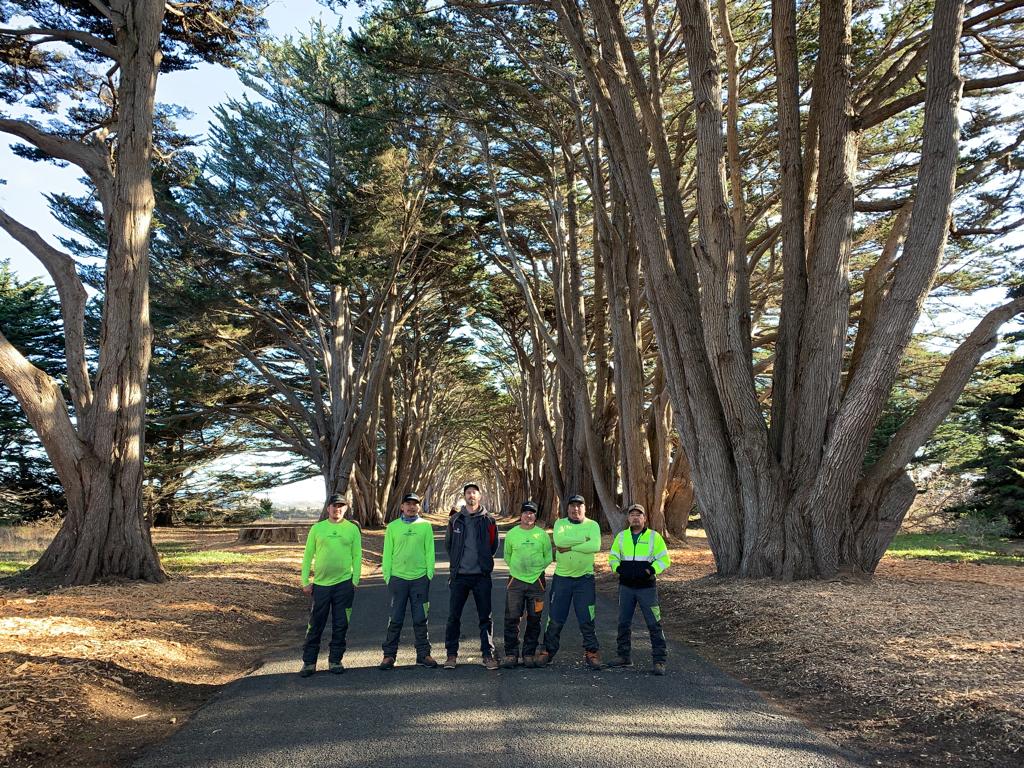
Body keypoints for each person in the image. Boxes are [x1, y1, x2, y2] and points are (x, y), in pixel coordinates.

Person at [535, 494, 602, 670]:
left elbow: (594, 546)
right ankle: (547, 651)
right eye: (572, 506)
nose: (575, 509)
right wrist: (583, 541)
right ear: (568, 509)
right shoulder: (560, 524)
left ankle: (591, 652)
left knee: (587, 617)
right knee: (555, 617)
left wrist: (570, 547)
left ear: (585, 508)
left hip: (585, 580)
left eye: (579, 506)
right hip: (562, 579)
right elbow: (559, 541)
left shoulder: (593, 525)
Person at [299, 493, 362, 677]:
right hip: (321, 585)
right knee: (315, 624)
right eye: (334, 506)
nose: (337, 509)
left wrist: (355, 579)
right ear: (328, 508)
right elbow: (308, 556)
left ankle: (335, 660)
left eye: (341, 506)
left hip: (344, 584)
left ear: (346, 509)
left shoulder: (352, 529)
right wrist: (305, 581)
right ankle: (309, 662)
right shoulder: (317, 529)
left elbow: (357, 555)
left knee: (341, 624)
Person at [606, 504, 671, 675]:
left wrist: (650, 570)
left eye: (639, 515)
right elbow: (613, 557)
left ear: (644, 518)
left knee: (654, 624)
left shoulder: (654, 537)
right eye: (632, 515)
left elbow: (664, 559)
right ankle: (623, 656)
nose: (635, 517)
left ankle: (659, 660)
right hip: (626, 587)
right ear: (628, 518)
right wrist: (618, 569)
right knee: (623, 622)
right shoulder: (621, 537)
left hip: (647, 588)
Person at [444, 481, 499, 670]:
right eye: (468, 493)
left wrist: (483, 562)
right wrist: (456, 565)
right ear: (464, 496)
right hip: (460, 576)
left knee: (486, 617)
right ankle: (451, 655)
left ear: (479, 496)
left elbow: (493, 545)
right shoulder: (455, 520)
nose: (471, 496)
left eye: (474, 492)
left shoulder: (489, 520)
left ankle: (488, 654)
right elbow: (449, 545)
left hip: (481, 576)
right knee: (453, 616)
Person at [379, 493, 438, 670]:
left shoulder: (426, 526)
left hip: (420, 579)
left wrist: (429, 574)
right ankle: (389, 656)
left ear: (419, 507)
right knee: (395, 618)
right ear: (402, 507)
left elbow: (430, 551)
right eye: (408, 504)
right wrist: (387, 576)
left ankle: (423, 655)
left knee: (421, 618)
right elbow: (387, 552)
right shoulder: (393, 527)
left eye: (415, 504)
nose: (412, 507)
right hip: (398, 579)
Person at [501, 500, 553, 668]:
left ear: (535, 516)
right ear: (521, 515)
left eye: (531, 513)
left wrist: (537, 570)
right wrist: (518, 569)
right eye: (525, 512)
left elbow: (548, 556)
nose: (528, 515)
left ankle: (529, 653)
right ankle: (511, 654)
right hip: (515, 581)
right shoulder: (512, 534)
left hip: (537, 582)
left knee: (534, 618)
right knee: (511, 618)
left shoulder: (542, 535)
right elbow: (507, 556)